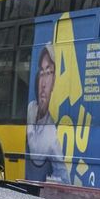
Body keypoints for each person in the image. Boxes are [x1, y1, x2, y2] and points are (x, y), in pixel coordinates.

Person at [26, 43, 68, 182]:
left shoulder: (51, 137)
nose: (43, 84)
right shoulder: (30, 108)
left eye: (49, 73)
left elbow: (65, 179)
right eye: (42, 73)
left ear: (54, 81)